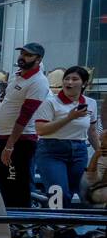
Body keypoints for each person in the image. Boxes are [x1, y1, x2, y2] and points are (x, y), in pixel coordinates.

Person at [0, 42, 52, 208]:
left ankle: (21, 225)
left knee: (16, 185)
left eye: (28, 55)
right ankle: (5, 223)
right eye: (22, 53)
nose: (22, 57)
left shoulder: (39, 82)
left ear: (38, 59)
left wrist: (10, 146)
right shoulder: (17, 75)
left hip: (21, 140)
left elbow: (25, 115)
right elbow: (11, 103)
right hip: (5, 136)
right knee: (1, 181)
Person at [35, 64, 99, 204]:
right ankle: (53, 224)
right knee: (59, 193)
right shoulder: (50, 102)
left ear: (84, 84)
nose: (69, 82)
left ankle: (65, 224)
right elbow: (41, 130)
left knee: (75, 191)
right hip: (51, 150)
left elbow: (92, 131)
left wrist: (101, 153)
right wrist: (69, 117)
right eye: (67, 79)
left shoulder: (91, 103)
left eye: (75, 79)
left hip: (79, 150)